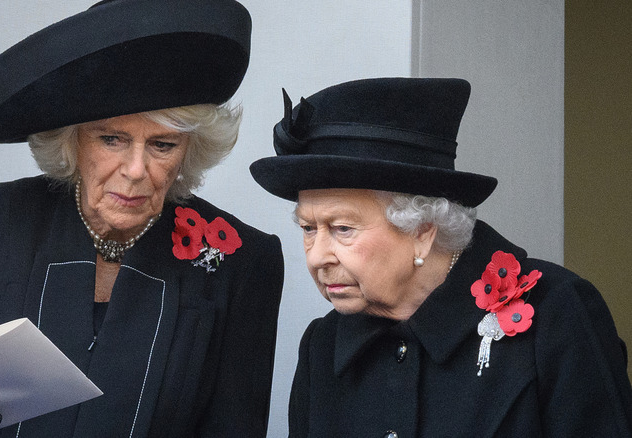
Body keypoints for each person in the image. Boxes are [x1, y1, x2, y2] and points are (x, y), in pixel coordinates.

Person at [0, 1, 284, 437]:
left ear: (190, 150)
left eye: (162, 145)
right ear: (72, 140)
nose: (136, 169)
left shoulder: (240, 259)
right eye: (112, 139)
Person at [249, 77, 632, 437]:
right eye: (308, 228)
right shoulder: (323, 344)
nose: (317, 257)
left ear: (422, 232)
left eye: (342, 229)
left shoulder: (556, 314)